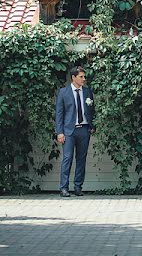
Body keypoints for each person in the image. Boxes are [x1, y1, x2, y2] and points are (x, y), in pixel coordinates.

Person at [55, 65, 96, 197]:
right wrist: (59, 132)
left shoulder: (88, 92)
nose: (84, 79)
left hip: (84, 129)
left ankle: (78, 187)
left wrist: (92, 125)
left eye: (84, 77)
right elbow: (59, 114)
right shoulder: (63, 92)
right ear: (73, 78)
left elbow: (91, 110)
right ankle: (64, 188)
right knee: (67, 158)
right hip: (69, 131)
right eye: (81, 77)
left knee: (81, 159)